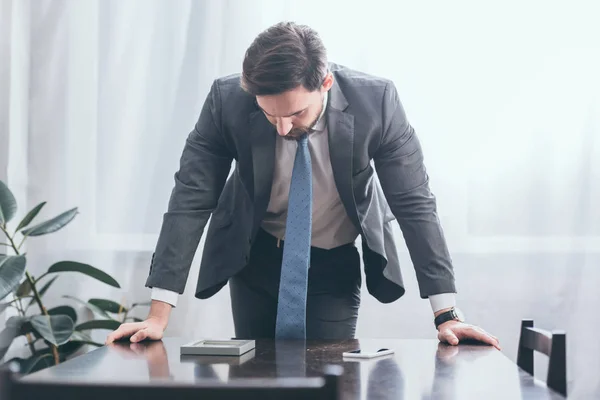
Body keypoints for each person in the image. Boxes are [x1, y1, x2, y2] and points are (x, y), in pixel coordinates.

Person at [106, 21, 500, 349]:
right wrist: (158, 315)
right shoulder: (226, 100)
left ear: (326, 82)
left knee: (327, 382)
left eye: (295, 113)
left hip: (332, 261)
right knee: (254, 383)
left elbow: (414, 204)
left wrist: (445, 313)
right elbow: (191, 197)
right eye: (268, 114)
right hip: (253, 255)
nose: (281, 128)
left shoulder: (376, 102)